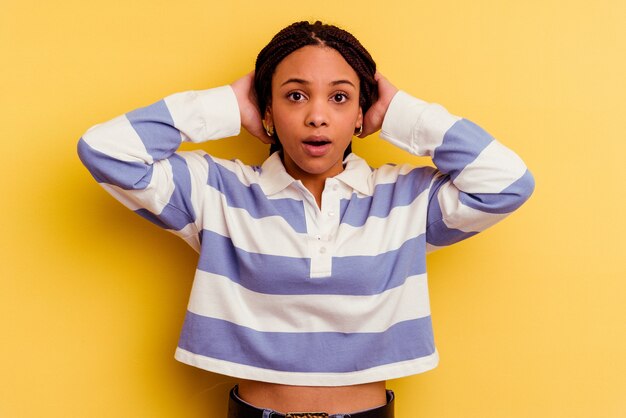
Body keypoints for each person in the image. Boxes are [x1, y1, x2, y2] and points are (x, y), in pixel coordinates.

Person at [78, 20, 534, 418]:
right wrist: (224, 105)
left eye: (340, 97)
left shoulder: (404, 199)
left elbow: (508, 181)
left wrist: (401, 113)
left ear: (361, 114)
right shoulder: (218, 190)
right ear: (268, 112)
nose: (317, 116)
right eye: (295, 95)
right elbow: (104, 149)